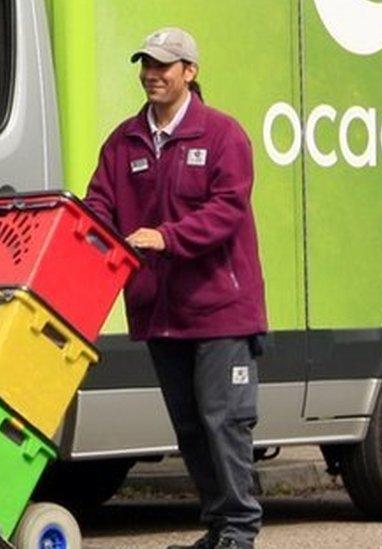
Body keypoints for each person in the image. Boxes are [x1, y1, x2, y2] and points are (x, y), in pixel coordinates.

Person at [83, 27, 268, 549]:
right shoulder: (123, 141)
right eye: (146, 63)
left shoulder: (223, 135)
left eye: (164, 65)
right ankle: (218, 527)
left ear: (190, 72)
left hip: (220, 309)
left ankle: (238, 530)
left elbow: (227, 211)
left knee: (222, 420)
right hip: (159, 310)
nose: (151, 74)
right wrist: (89, 236)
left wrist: (166, 238)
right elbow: (100, 204)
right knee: (189, 426)